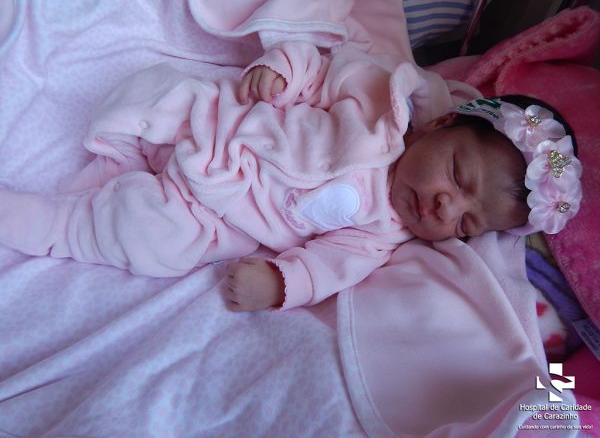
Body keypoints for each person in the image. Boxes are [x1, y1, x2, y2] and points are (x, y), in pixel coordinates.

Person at [0, 43, 582, 313]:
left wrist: (281, 284)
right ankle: (120, 155)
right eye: (457, 176)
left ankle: (49, 223)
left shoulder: (380, 233)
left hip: (212, 214)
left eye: (466, 225)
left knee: (153, 241)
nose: (445, 208)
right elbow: (320, 69)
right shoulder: (379, 101)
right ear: (441, 124)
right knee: (153, 93)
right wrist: (280, 72)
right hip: (217, 124)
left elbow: (328, 267)